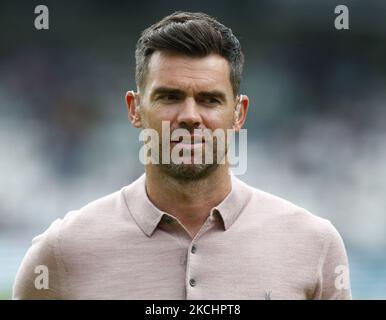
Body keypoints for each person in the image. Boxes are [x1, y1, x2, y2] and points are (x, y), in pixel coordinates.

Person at [13, 11, 351, 300]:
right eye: (169, 97)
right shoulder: (62, 250)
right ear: (134, 109)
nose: (189, 116)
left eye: (210, 100)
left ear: (239, 113)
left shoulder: (314, 244)